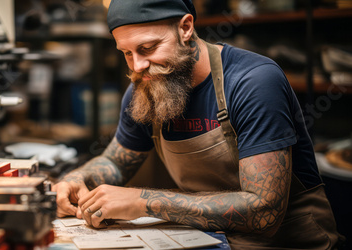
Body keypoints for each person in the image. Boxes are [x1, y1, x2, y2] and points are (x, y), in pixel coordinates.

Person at [53, 0, 344, 248]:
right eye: (127, 53)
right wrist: (78, 180)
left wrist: (144, 201)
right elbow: (116, 163)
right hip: (210, 238)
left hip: (288, 242)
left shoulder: (253, 82)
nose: (137, 66)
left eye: (148, 47)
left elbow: (264, 212)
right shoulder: (146, 87)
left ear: (185, 28)